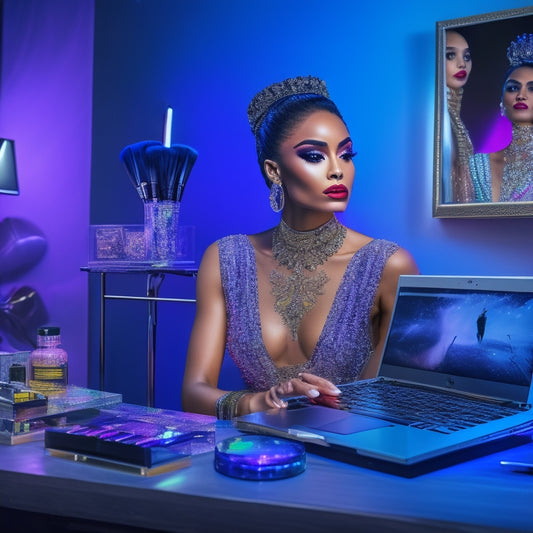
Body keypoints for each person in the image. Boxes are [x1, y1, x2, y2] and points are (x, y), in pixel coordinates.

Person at [181, 76, 419, 420]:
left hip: (349, 460)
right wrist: (261, 402)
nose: (338, 170)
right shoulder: (225, 259)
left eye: (346, 154)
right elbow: (193, 393)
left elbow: (391, 403)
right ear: (274, 170)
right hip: (254, 455)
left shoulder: (387, 265)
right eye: (313, 156)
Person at [470, 33, 533, 202]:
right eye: (513, 88)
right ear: (502, 102)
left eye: (532, 88)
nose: (521, 95)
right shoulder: (476, 165)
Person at [445, 30, 475, 203]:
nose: (462, 64)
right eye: (450, 55)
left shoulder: (455, 119)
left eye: (467, 56)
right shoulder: (437, 118)